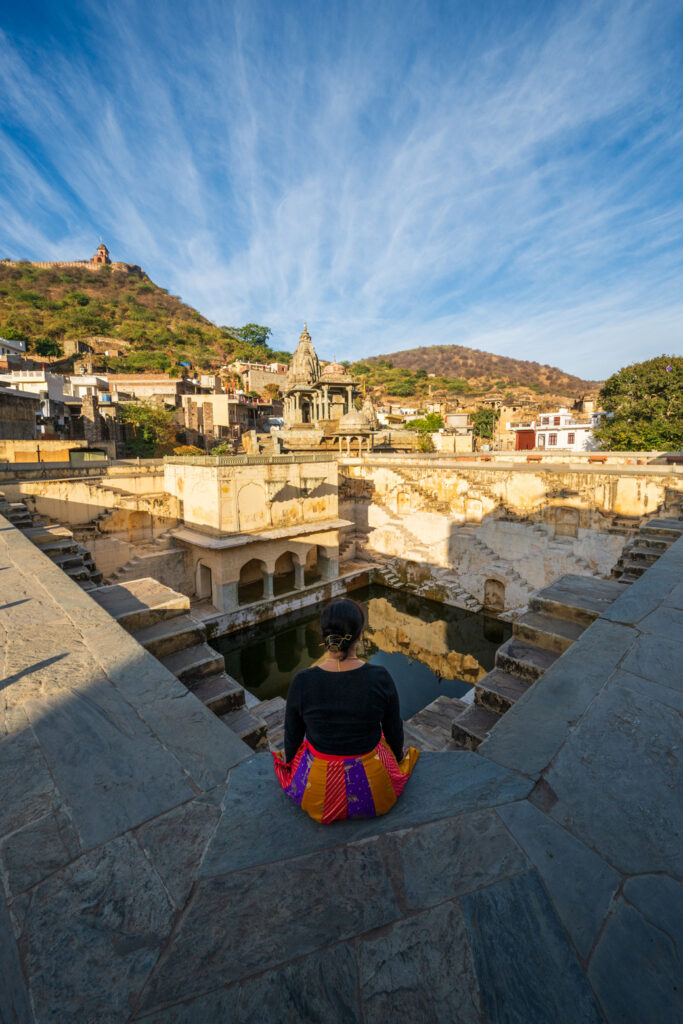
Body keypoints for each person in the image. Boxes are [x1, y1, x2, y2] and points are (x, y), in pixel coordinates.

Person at [272, 598, 419, 823]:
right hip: (374, 789)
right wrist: (397, 759)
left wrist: (291, 765)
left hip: (317, 789)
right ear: (360, 635)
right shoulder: (379, 677)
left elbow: (292, 737)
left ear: (323, 635)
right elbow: (393, 731)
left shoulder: (303, 682)